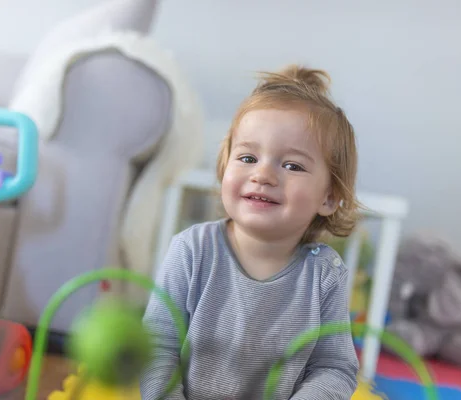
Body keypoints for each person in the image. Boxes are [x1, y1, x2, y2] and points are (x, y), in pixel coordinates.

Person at [140, 64, 361, 399]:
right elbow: (157, 347)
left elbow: (334, 368)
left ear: (329, 197)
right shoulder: (192, 249)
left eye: (292, 166)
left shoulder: (324, 274)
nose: (263, 175)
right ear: (224, 165)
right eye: (247, 157)